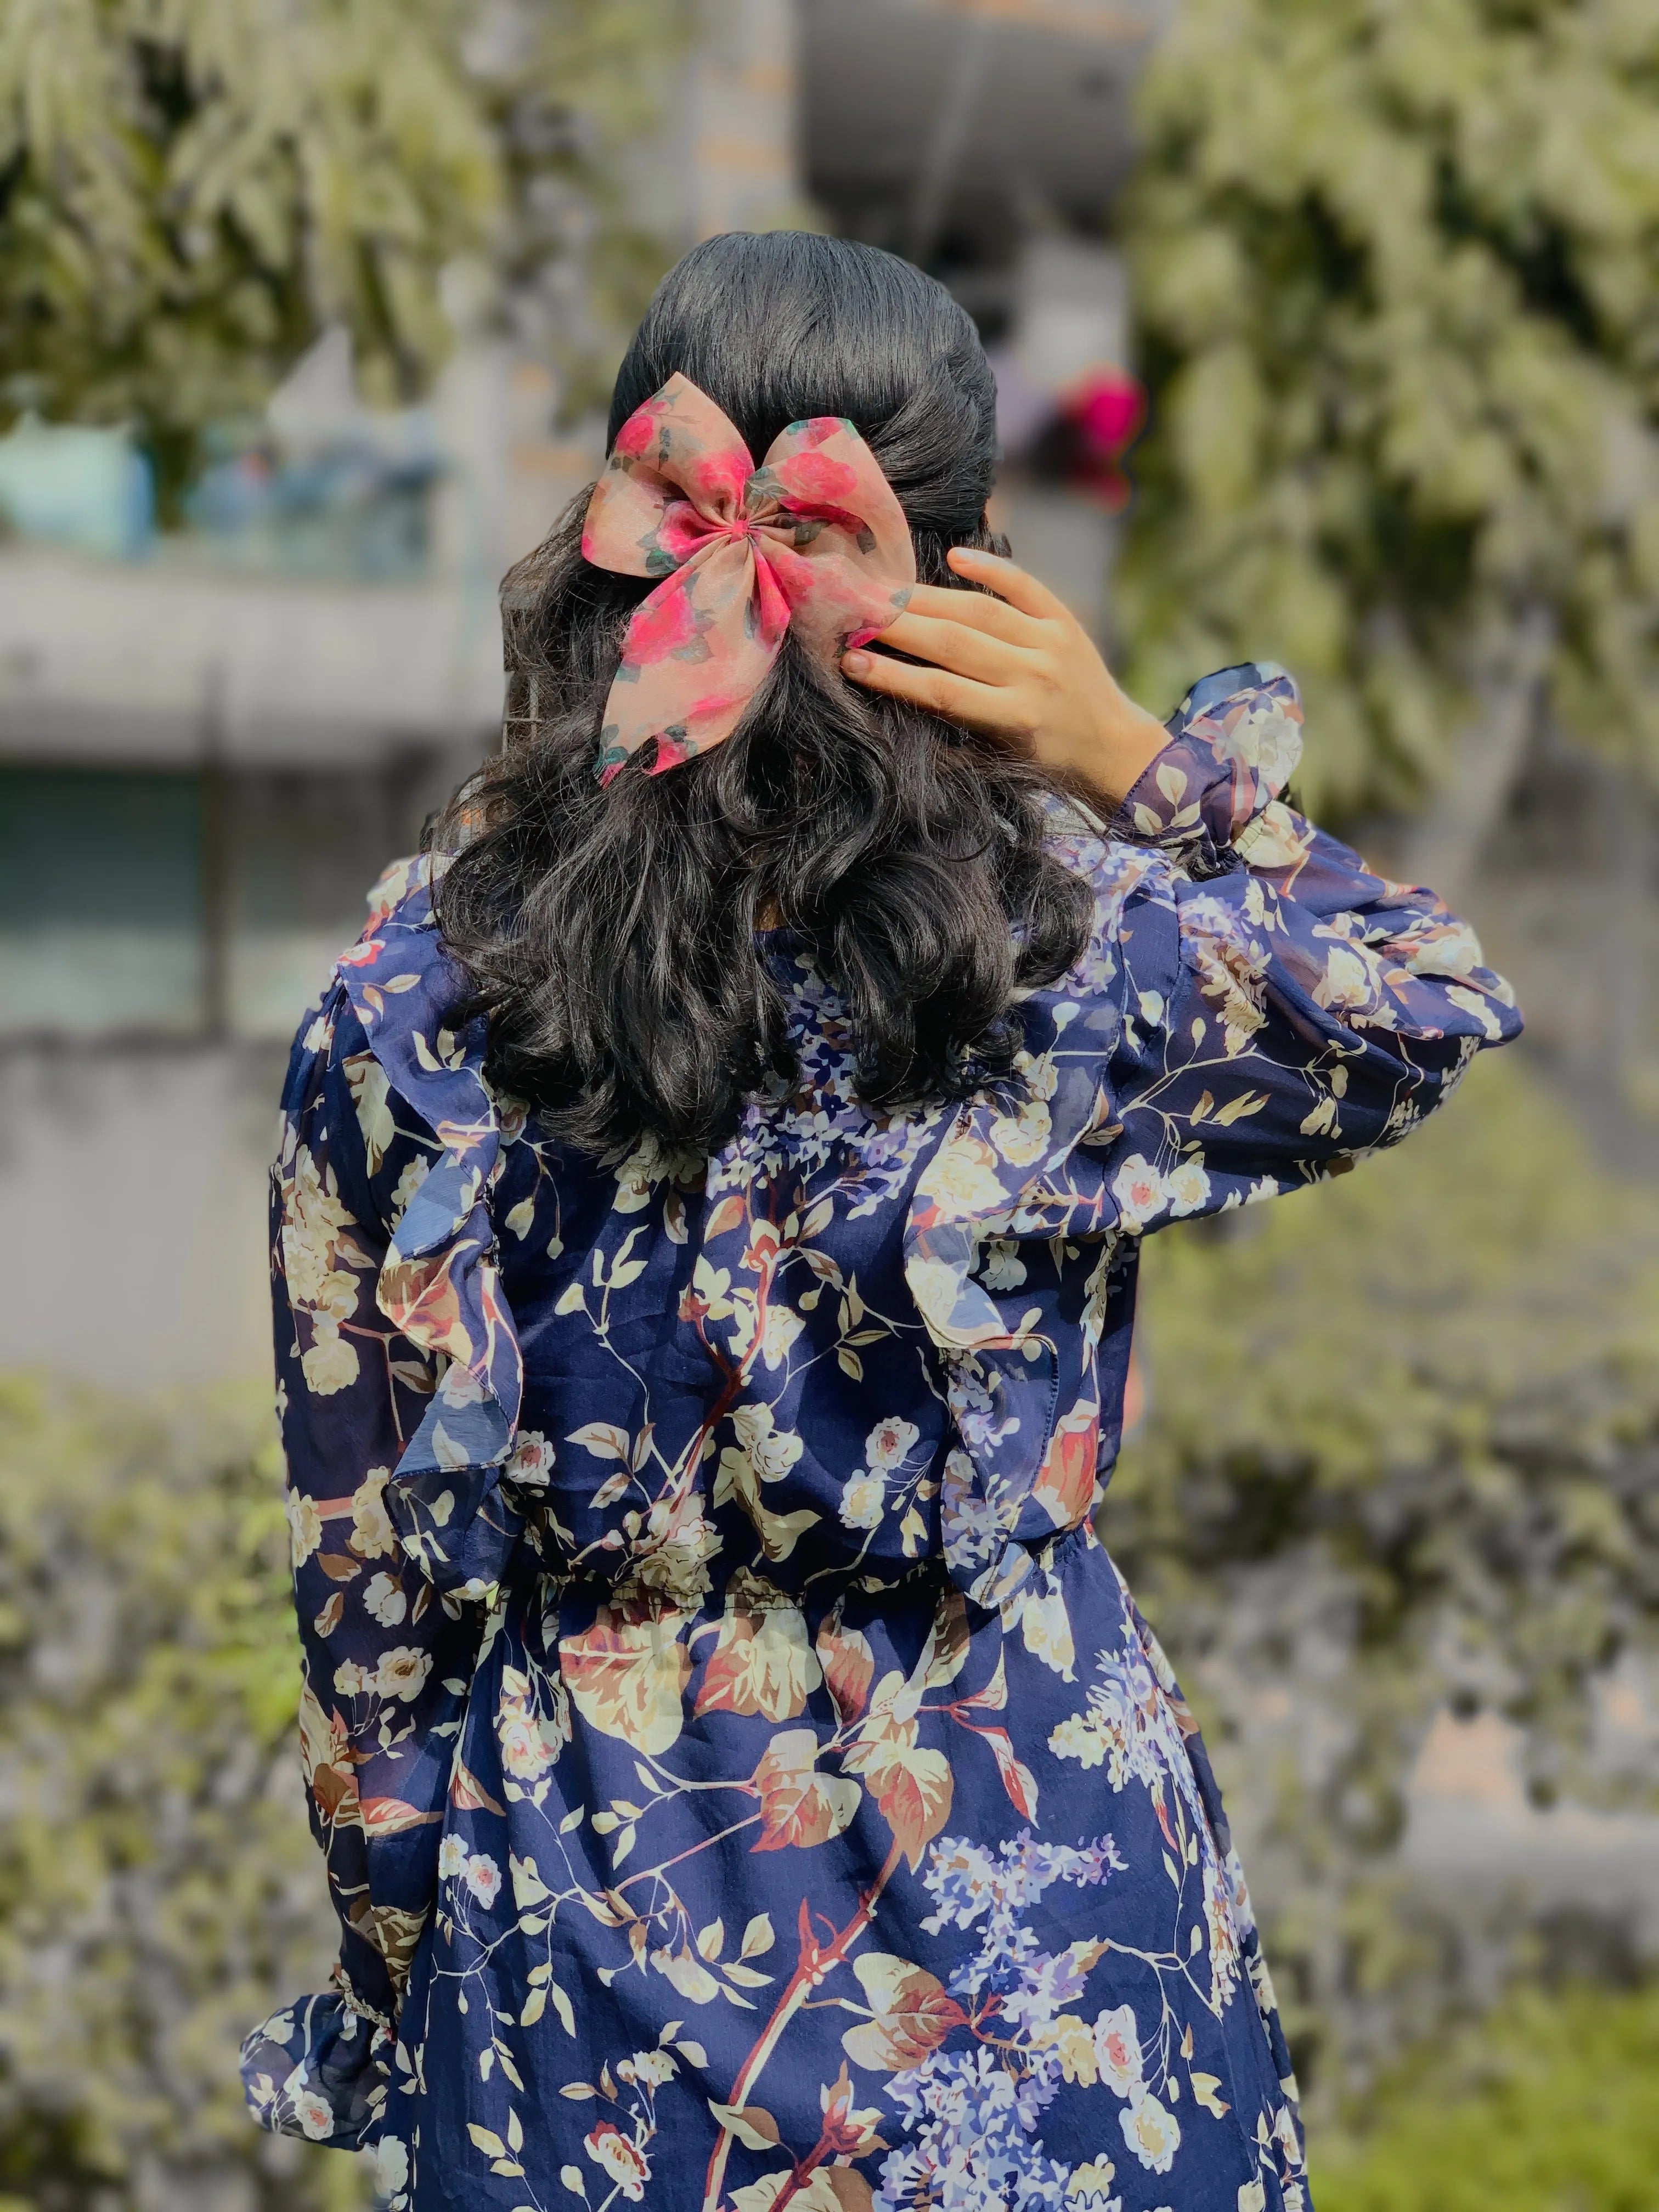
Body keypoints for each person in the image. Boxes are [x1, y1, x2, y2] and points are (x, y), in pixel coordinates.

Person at [242, 232, 1520, 2212]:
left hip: (586, 1921)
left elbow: (368, 1588)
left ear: (614, 550)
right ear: (970, 573)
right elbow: (1421, 1001)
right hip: (1042, 1903)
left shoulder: (417, 997)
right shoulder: (1065, 962)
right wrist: (1134, 757)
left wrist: (405, 1979)